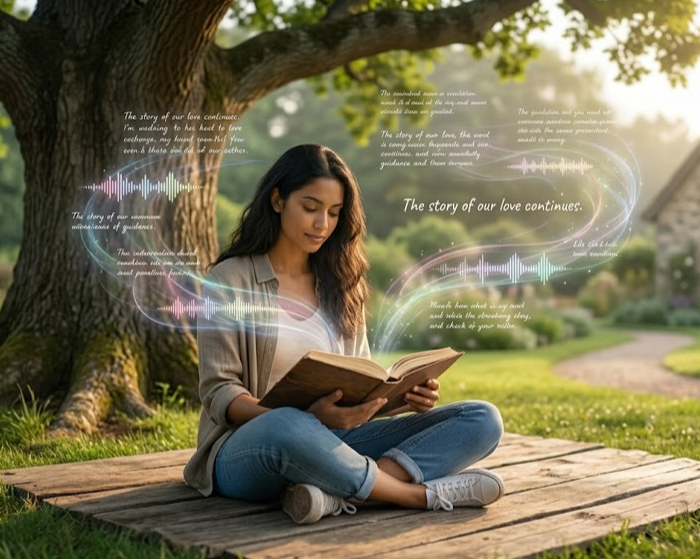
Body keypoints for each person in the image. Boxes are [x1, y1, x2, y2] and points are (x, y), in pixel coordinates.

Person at [183, 144, 505, 524]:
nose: (323, 223)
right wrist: (306, 416)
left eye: (334, 213)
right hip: (246, 448)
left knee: (481, 418)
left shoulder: (342, 285)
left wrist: (402, 398)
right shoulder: (230, 280)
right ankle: (415, 496)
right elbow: (220, 392)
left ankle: (334, 496)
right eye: (310, 207)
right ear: (277, 200)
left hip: (335, 441)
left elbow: (360, 384)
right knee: (289, 422)